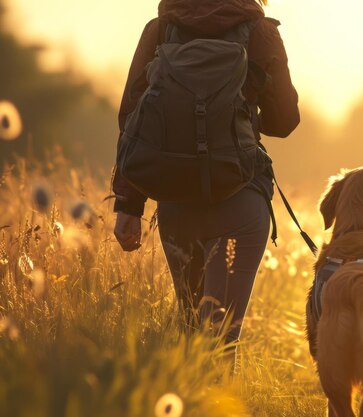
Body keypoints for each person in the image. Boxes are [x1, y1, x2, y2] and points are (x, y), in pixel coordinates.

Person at [112, 0, 299, 347]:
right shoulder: (260, 31)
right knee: (222, 338)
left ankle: (186, 400)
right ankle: (217, 399)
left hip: (176, 202)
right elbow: (285, 121)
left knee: (192, 331)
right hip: (240, 198)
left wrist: (128, 204)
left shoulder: (161, 29)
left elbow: (133, 121)